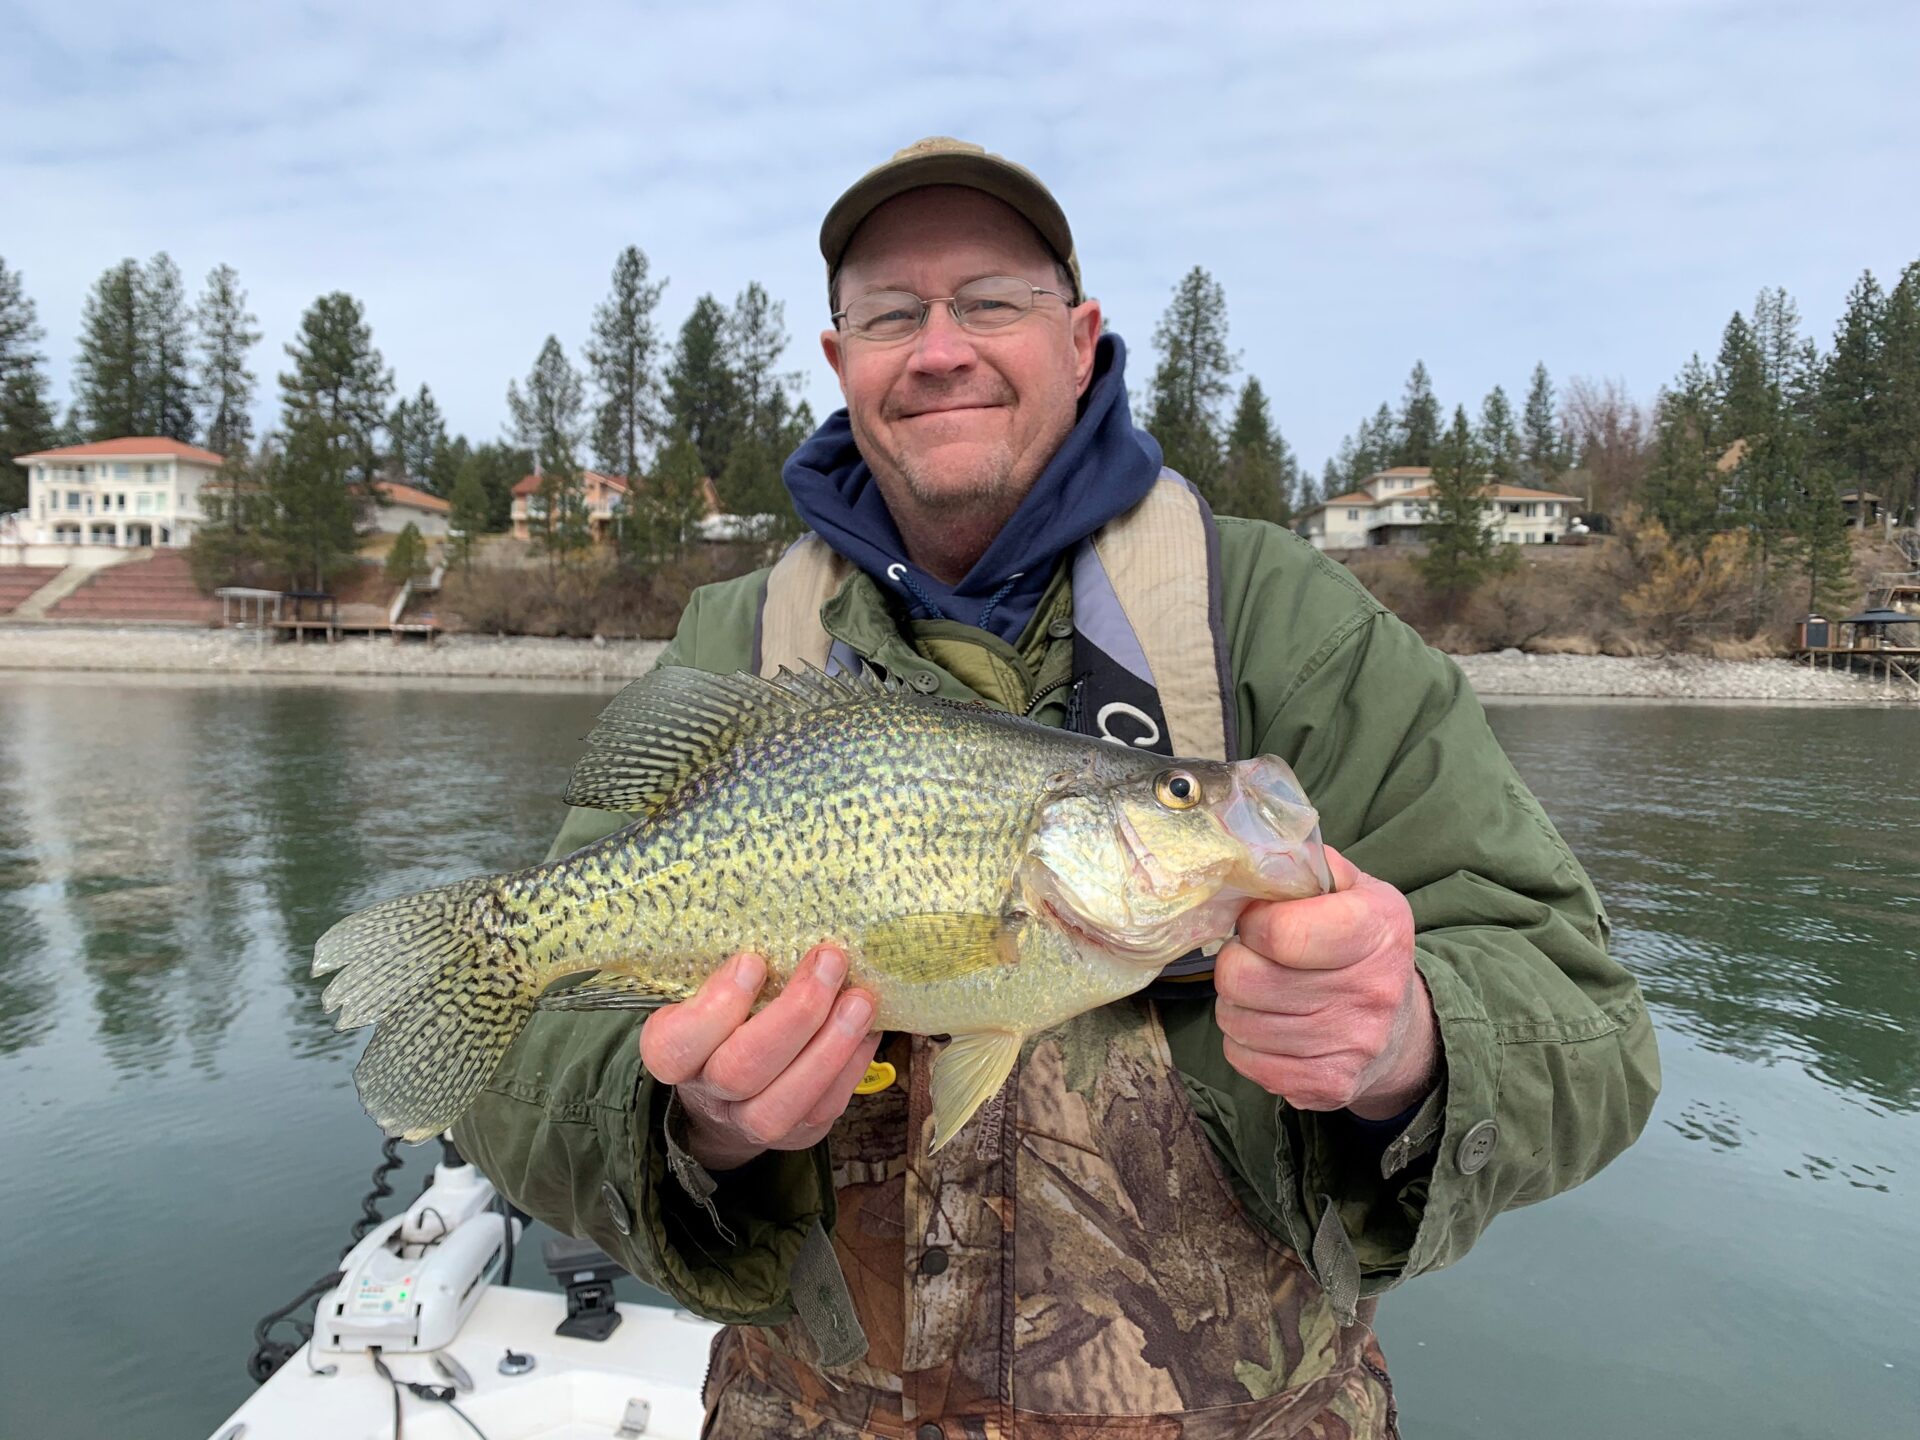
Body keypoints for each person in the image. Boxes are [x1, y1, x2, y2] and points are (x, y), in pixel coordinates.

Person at [453, 137, 1659, 1439]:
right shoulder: (734, 642)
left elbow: (1590, 1025)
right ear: (839, 358)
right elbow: (520, 1065)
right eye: (890, 313)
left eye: (992, 300)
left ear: (1081, 338)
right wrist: (692, 1117)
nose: (939, 346)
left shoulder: (1279, 619)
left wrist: (1406, 1048)